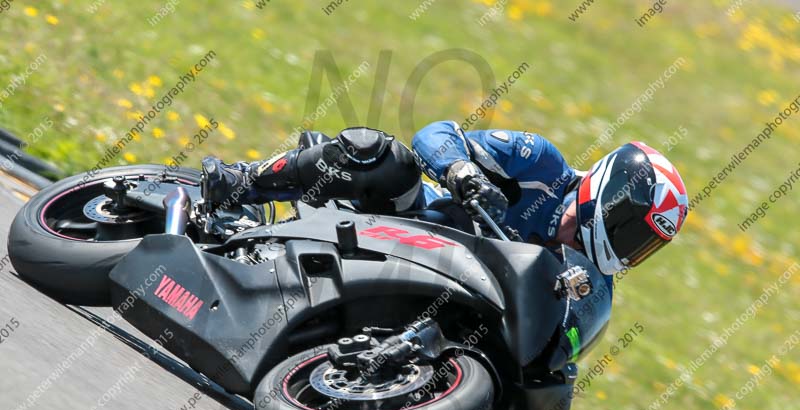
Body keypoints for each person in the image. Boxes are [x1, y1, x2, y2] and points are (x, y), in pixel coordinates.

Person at [201, 121, 689, 277]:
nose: (632, 247)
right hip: (399, 218)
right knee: (386, 155)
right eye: (636, 230)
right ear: (614, 198)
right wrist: (462, 170)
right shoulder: (541, 165)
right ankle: (241, 182)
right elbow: (437, 133)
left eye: (646, 244)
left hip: (428, 283)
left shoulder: (576, 277)